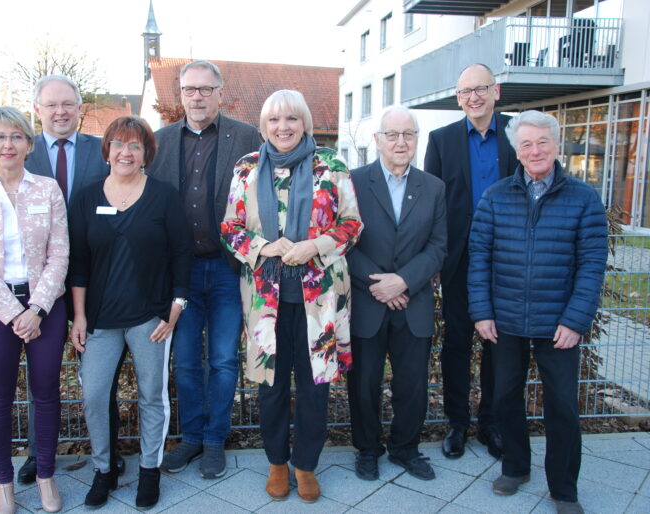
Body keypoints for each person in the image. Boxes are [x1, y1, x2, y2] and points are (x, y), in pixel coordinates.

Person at [221, 89, 362, 502]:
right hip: (267, 301)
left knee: (316, 385)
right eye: (274, 121)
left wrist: (314, 246)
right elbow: (230, 228)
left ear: (305, 124)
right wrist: (264, 247)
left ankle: (306, 466)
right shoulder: (246, 168)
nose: (283, 128)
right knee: (272, 385)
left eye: (291, 120)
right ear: (264, 127)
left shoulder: (331, 165)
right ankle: (277, 463)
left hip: (319, 299)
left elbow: (352, 224)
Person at [468, 110, 607, 514]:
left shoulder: (584, 198)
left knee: (562, 406)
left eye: (542, 142)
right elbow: (480, 259)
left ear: (556, 145)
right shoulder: (495, 196)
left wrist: (575, 320)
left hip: (559, 324)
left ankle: (564, 489)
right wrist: (482, 312)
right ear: (516, 150)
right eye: (525, 144)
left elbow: (592, 264)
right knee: (505, 397)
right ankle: (515, 466)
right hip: (505, 321)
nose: (535, 150)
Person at [68, 116, 192, 510]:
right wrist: (79, 316)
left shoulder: (163, 196)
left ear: (146, 155)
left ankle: (150, 472)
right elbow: (79, 263)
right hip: (100, 320)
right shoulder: (86, 198)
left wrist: (175, 309)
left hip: (150, 318)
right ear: (107, 150)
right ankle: (104, 470)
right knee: (93, 395)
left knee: (152, 396)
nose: (126, 152)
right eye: (119, 144)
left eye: (135, 146)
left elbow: (181, 256)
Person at [147, 60, 261, 479]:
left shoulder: (247, 137)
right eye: (189, 89)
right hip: (182, 272)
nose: (197, 96)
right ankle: (191, 437)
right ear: (180, 94)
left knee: (224, 359)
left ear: (219, 92)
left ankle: (215, 440)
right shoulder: (158, 143)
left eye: (205, 89)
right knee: (186, 361)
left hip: (229, 268)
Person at [0, 106, 68, 514]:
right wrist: (12, 313)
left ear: (29, 144)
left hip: (45, 305)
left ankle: (45, 476)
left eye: (16, 137)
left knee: (46, 393)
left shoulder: (48, 190)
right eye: (0, 137)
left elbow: (60, 253)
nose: (8, 144)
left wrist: (36, 307)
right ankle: (3, 482)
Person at [22, 74, 116, 485]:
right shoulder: (22, 153)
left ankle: (108, 455)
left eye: (68, 104)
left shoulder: (104, 151)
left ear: (80, 108)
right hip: (39, 284)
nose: (60, 112)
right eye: (51, 105)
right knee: (39, 376)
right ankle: (36, 454)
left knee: (100, 375)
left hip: (94, 282)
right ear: (37, 111)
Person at [424, 63, 518, 459]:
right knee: (458, 342)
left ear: (496, 91)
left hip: (509, 259)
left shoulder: (518, 132)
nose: (474, 97)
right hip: (459, 259)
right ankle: (458, 423)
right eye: (465, 91)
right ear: (458, 97)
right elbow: (432, 205)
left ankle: (492, 422)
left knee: (501, 343)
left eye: (481, 88)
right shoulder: (441, 139)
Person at [347, 106, 447, 481]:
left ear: (417, 139)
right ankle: (367, 449)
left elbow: (439, 246)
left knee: (412, 384)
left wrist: (402, 281)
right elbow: (344, 243)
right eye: (392, 134)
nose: (400, 142)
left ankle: (406, 448)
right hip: (367, 301)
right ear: (378, 140)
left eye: (408, 134)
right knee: (364, 382)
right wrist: (381, 285)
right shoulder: (353, 183)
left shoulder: (433, 187)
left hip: (413, 301)